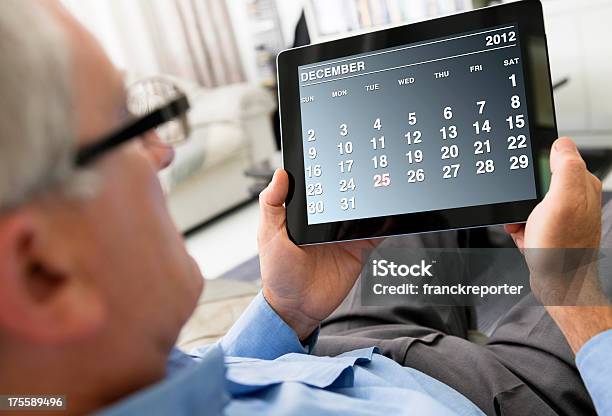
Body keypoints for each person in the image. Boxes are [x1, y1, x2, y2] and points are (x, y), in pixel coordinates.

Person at [0, 1, 609, 415]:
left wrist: (283, 310)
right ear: (43, 271)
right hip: (493, 396)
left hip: (327, 347)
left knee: (416, 200)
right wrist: (576, 290)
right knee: (595, 220)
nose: (162, 154)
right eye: (130, 125)